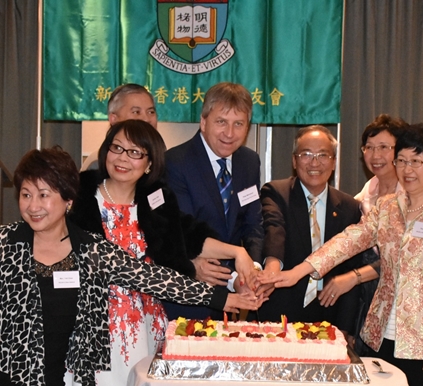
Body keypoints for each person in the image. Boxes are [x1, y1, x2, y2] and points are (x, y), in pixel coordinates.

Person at [0, 146, 261, 386]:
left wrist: (223, 299)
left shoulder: (91, 248)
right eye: (26, 194)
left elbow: (152, 278)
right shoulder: (5, 244)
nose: (33, 206)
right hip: (13, 375)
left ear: (68, 199)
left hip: (72, 376)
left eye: (43, 195)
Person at [259, 124, 423, 386]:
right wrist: (299, 271)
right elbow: (347, 241)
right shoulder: (387, 208)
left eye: (417, 161)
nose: (407, 169)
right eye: (402, 161)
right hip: (379, 336)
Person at [70, 120, 260, 385]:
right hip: (95, 323)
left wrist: (239, 252)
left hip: (145, 323)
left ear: (149, 164)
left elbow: (189, 237)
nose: (123, 158)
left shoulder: (154, 202)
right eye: (117, 148)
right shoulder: (79, 200)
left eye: (135, 152)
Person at [164, 82, 264, 319]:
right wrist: (193, 264)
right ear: (203, 121)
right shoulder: (176, 162)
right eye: (221, 122)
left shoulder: (250, 162)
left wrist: (251, 273)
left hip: (232, 300)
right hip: (188, 294)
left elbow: (253, 224)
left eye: (238, 124)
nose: (230, 133)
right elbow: (182, 232)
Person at [256, 125, 364, 340]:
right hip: (278, 313)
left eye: (323, 155)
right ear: (294, 161)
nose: (315, 163)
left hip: (328, 315)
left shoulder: (350, 206)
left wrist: (344, 328)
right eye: (306, 154)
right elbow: (274, 230)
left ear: (333, 161)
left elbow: (351, 268)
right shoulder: (276, 192)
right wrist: (273, 265)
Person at [319, 114, 408, 355]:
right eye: (369, 147)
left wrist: (353, 277)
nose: (375, 155)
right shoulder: (364, 196)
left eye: (384, 147)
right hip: (368, 302)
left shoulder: (413, 196)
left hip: (404, 303)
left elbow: (404, 257)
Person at [81, 83, 157, 171]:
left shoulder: (166, 159)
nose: (146, 119)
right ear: (114, 119)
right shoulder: (101, 162)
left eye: (151, 112)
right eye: (136, 112)